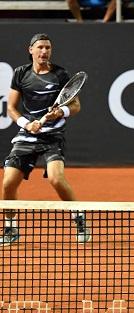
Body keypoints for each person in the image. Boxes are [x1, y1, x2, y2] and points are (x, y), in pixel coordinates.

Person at [0, 33, 91, 246]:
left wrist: (60, 113)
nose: (44, 51)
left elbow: (76, 106)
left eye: (48, 48)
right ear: (30, 50)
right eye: (40, 47)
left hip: (53, 135)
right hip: (27, 134)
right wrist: (26, 124)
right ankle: (11, 228)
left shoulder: (60, 74)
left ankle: (79, 219)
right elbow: (11, 108)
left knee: (56, 179)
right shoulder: (20, 73)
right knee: (8, 182)